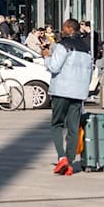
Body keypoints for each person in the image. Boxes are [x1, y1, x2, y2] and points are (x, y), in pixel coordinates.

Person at [42, 19, 92, 176]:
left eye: (64, 27)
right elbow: (89, 73)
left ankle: (62, 157)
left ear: (70, 29)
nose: (61, 30)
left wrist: (46, 56)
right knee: (73, 128)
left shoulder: (63, 45)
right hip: (78, 93)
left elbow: (54, 66)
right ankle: (69, 164)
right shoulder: (86, 49)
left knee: (56, 124)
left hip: (61, 91)